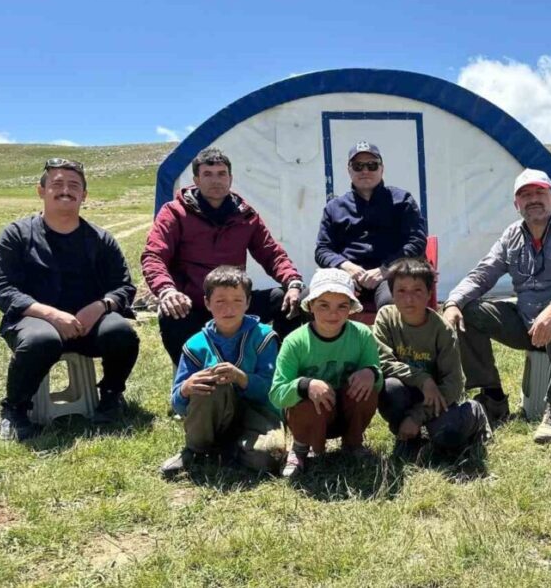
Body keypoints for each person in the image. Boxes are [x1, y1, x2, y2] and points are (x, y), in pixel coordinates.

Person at [443, 169, 551, 443]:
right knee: (468, 312)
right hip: (528, 322)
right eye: (525, 195)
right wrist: (453, 302)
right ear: (517, 205)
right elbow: (483, 274)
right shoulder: (511, 236)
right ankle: (492, 398)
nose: (533, 200)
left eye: (540, 193)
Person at [0, 158, 139, 441]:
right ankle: (15, 411)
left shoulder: (100, 239)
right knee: (41, 340)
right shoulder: (17, 235)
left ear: (84, 195)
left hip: (89, 326)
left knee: (121, 332)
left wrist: (101, 306)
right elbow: (3, 288)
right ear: (41, 190)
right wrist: (50, 314)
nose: (65, 191)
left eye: (74, 185)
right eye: (57, 184)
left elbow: (123, 286)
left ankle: (110, 396)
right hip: (34, 321)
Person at [142, 147, 304, 366]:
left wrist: (292, 281)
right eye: (207, 174)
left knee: (289, 300)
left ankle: (278, 371)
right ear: (196, 180)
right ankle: (191, 382)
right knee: (172, 314)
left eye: (221, 174)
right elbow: (154, 255)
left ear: (230, 178)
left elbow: (271, 253)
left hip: (235, 301)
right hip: (194, 303)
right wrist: (167, 290)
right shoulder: (174, 213)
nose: (215, 180)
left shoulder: (245, 215)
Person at [160, 266, 285, 478]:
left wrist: (242, 378)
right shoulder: (195, 345)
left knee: (267, 458)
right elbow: (177, 403)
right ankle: (196, 450)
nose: (229, 308)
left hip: (258, 413)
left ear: (248, 302)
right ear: (207, 303)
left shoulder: (264, 337)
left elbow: (274, 392)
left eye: (237, 300)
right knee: (206, 383)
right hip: (213, 416)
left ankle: (228, 448)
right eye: (220, 301)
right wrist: (186, 389)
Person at [269, 268, 382, 478]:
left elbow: (378, 380)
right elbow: (277, 394)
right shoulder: (295, 341)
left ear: (351, 308)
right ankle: (301, 448)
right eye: (324, 305)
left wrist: (371, 373)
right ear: (310, 305)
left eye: (342, 306)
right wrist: (305, 385)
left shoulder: (363, 335)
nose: (333, 313)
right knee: (303, 399)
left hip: (345, 410)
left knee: (366, 389)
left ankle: (353, 444)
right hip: (311, 415)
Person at [373, 257, 491, 459]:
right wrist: (422, 379)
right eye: (401, 291)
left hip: (438, 398)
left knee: (448, 437)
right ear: (391, 293)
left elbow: (453, 384)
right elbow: (382, 362)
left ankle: (474, 412)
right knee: (388, 388)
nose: (409, 298)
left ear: (429, 294)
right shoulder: (386, 317)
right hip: (406, 390)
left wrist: (417, 415)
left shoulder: (442, 330)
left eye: (417, 290)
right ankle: (408, 437)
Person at [314, 141, 427, 311]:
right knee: (309, 299)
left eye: (372, 165)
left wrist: (386, 269)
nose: (365, 171)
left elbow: (416, 242)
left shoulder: (402, 201)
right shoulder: (334, 207)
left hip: (391, 276)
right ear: (349, 170)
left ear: (382, 169)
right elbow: (322, 250)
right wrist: (346, 266)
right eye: (358, 166)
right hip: (346, 277)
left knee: (392, 304)